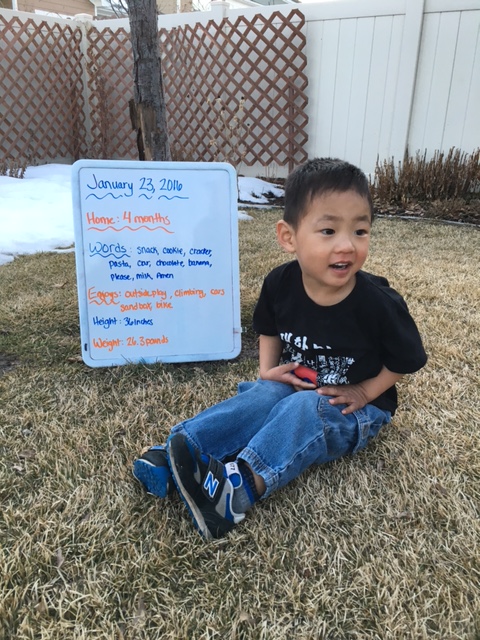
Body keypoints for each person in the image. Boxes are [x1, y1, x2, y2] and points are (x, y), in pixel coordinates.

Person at [133, 157, 427, 540]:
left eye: (360, 230)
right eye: (328, 230)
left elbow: (407, 358)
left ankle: (237, 490)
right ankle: (182, 451)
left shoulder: (378, 303)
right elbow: (268, 328)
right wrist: (267, 371)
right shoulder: (280, 283)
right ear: (289, 237)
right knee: (264, 395)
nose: (347, 245)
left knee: (301, 408)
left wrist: (365, 392)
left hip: (353, 409)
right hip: (297, 382)